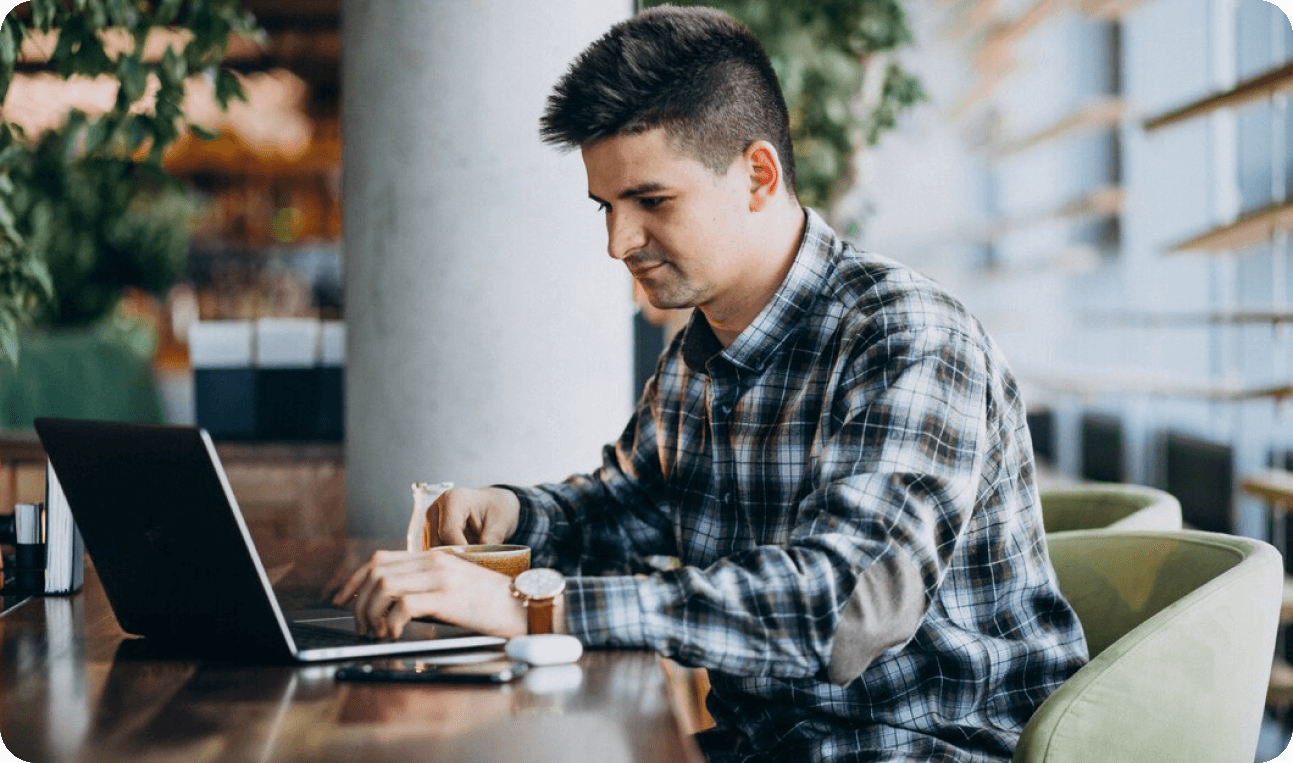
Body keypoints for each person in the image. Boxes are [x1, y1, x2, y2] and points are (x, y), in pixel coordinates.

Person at [334, 6, 1089, 761]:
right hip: (762, 746)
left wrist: (533, 605)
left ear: (757, 174)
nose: (617, 242)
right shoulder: (698, 354)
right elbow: (624, 511)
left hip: (924, 749)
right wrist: (512, 514)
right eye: (607, 206)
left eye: (651, 201)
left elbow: (840, 607)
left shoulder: (907, 337)